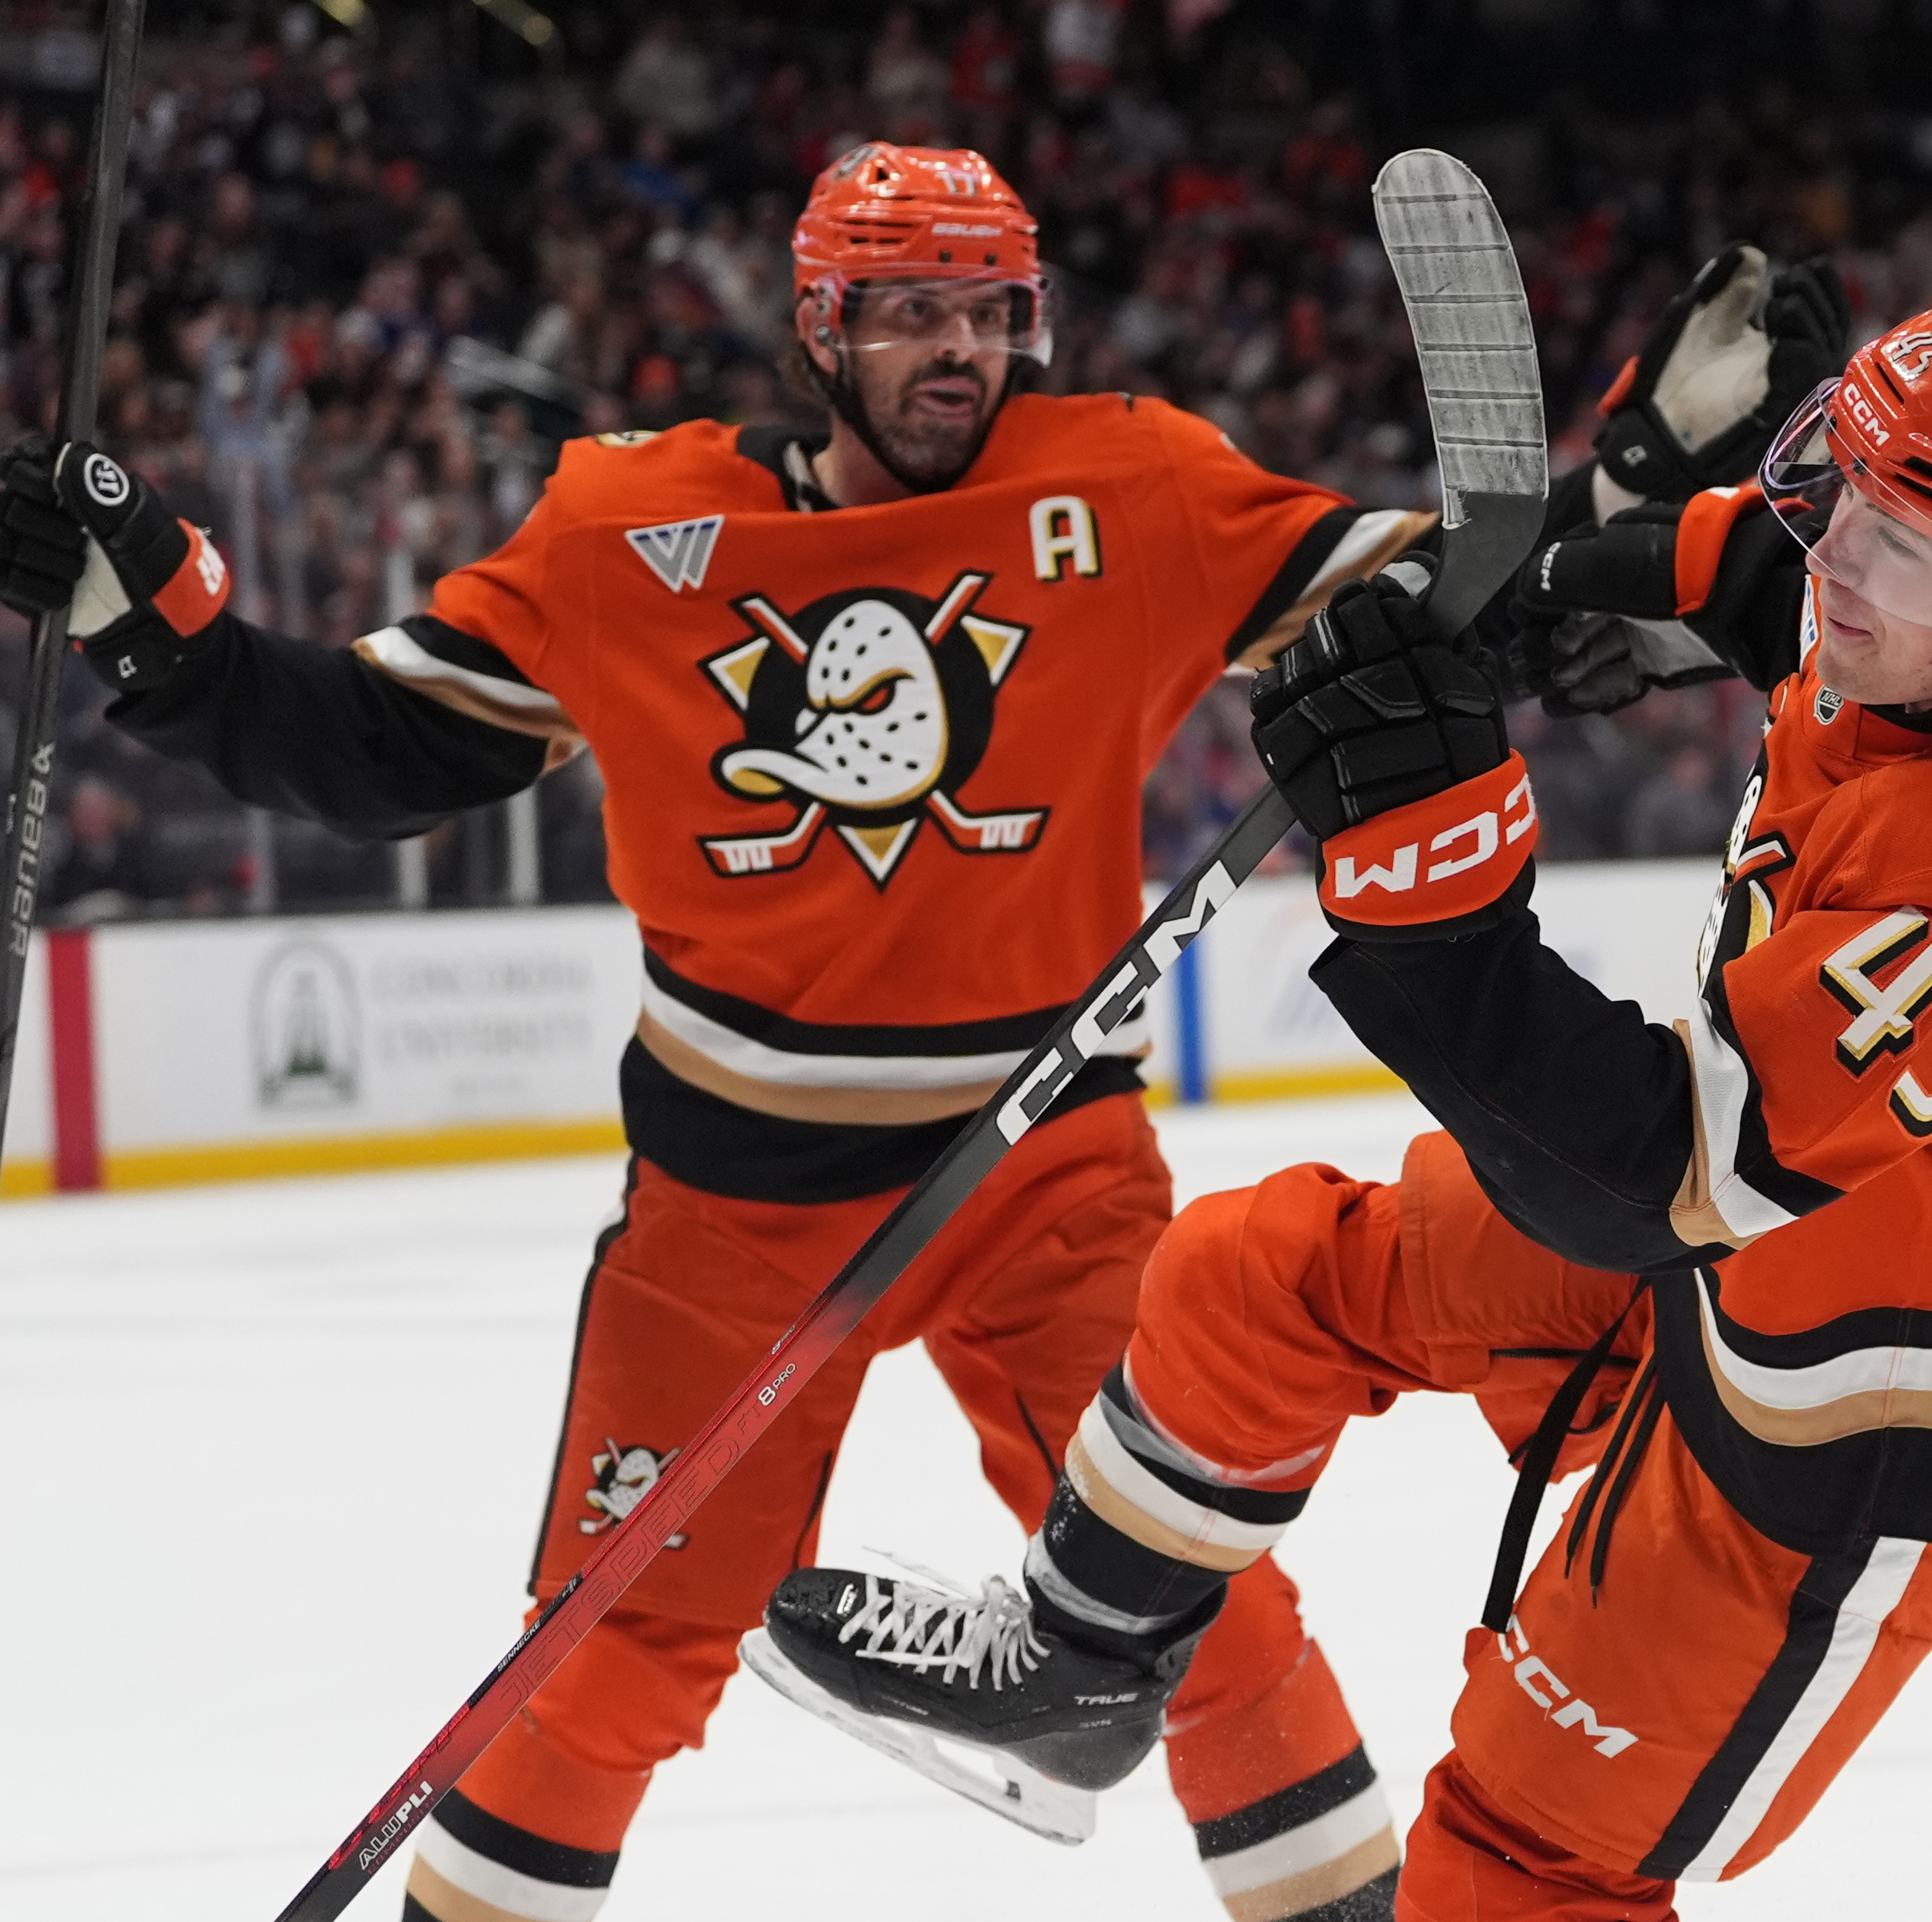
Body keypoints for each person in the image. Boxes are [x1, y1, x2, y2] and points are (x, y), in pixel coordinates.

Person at [0, 143, 1442, 1922]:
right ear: (818, 329)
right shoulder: (629, 530)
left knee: (1195, 1603)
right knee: (610, 1648)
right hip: (733, 1210)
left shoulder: (1131, 487)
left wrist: (1644, 512)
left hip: (1044, 1169)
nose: (958, 350)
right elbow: (376, 748)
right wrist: (159, 614)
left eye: (991, 313)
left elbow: (1439, 592)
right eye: (907, 313)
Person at [752, 287, 1932, 1919]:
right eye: (1844, 492)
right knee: (1265, 1276)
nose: (1833, 561)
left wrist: (1424, 873)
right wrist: (1529, 594)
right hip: (1770, 1239)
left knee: (1521, 1866)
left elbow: (1640, 1176)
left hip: (1868, 1414)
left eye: (1894, 542)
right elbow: (1755, 568)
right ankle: (1078, 1667)